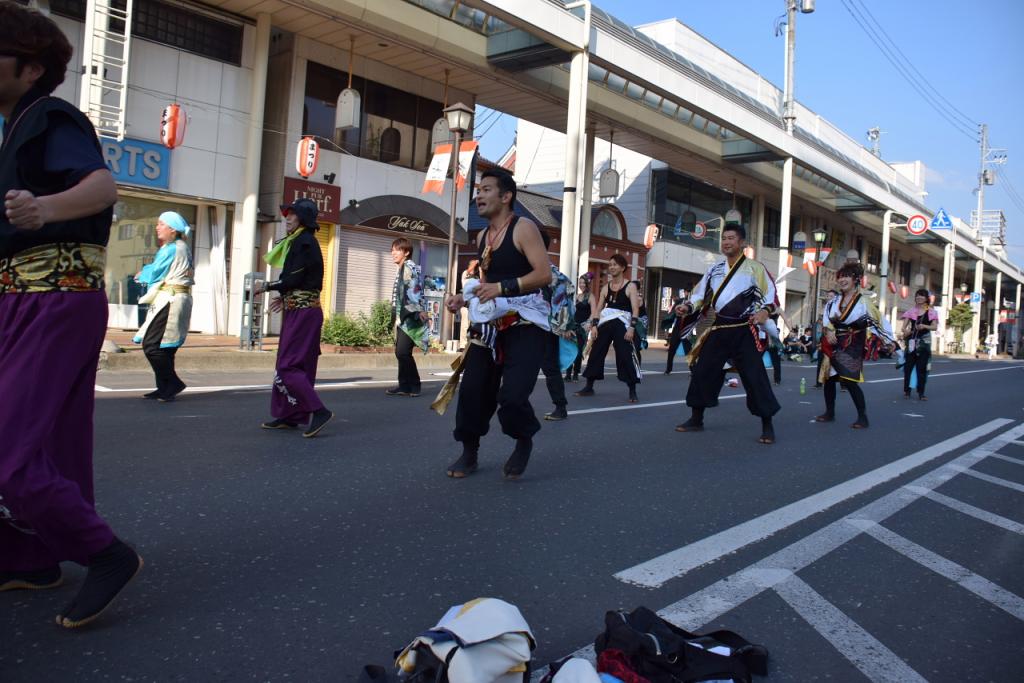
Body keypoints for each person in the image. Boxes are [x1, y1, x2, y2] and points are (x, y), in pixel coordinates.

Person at [0, 3, 143, 628]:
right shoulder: (15, 128)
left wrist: (43, 209)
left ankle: (106, 554)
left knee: (9, 446)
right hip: (22, 302)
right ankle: (33, 554)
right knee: (44, 443)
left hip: (54, 298)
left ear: (30, 67)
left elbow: (102, 188)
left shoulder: (51, 116)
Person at [439, 169, 551, 479]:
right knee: (473, 391)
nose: (479, 195)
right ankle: (469, 452)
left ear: (506, 196)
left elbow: (544, 275)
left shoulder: (523, 228)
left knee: (513, 397)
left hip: (525, 324)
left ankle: (523, 439)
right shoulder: (482, 236)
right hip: (490, 327)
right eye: (478, 190)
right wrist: (464, 297)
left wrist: (501, 289)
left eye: (486, 189)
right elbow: (486, 281)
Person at [674, 223, 780, 445]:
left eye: (731, 238)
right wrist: (688, 307)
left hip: (744, 329)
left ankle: (767, 424)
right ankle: (696, 418)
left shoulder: (754, 268)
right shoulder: (714, 269)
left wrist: (763, 311)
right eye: (724, 238)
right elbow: (700, 295)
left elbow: (770, 295)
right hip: (719, 328)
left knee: (754, 376)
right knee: (703, 371)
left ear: (741, 243)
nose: (727, 242)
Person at [257, 198, 333, 437]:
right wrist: (285, 296)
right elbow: (300, 281)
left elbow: (295, 279)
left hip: (304, 313)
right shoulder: (298, 241)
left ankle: (319, 411)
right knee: (295, 365)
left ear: (303, 218)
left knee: (288, 365)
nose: (287, 218)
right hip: (300, 311)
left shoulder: (305, 242)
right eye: (287, 214)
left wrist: (267, 286)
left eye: (292, 214)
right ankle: (290, 415)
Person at [815, 262, 893, 428]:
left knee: (850, 381)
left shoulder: (864, 302)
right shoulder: (833, 301)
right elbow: (826, 320)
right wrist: (828, 332)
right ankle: (829, 412)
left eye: (846, 276)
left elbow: (878, 321)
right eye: (840, 277)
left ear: (856, 279)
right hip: (833, 344)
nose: (842, 280)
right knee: (828, 379)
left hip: (852, 345)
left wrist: (889, 341)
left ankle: (862, 416)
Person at [133, 212, 194, 401]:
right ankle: (164, 388)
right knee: (165, 347)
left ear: (172, 229)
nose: (157, 227)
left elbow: (157, 271)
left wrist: (142, 274)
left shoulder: (172, 248)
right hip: (177, 296)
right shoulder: (181, 246)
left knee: (152, 345)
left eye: (161, 224)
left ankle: (173, 383)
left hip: (171, 299)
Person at [575, 253, 642, 403]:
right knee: (597, 351)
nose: (611, 267)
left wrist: (631, 328)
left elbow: (635, 309)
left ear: (623, 267)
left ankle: (632, 389)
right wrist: (594, 326)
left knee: (625, 354)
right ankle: (589, 385)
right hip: (606, 321)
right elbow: (598, 309)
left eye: (615, 264)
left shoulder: (630, 286)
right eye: (610, 265)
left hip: (623, 322)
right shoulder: (606, 287)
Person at [537, 231, 574, 421]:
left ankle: (560, 407)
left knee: (550, 367)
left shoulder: (552, 274)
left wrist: (562, 327)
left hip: (544, 328)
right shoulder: (522, 269)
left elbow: (563, 298)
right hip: (520, 326)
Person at [386, 237, 429, 397]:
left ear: (407, 252)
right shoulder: (404, 267)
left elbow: (413, 291)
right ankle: (404, 385)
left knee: (403, 352)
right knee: (401, 352)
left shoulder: (408, 267)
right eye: (392, 249)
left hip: (410, 316)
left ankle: (414, 385)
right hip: (404, 315)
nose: (393, 253)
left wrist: (418, 311)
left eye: (397, 250)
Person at [900, 288, 937, 400]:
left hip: (924, 343)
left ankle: (921, 393)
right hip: (912, 341)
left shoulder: (931, 311)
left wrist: (925, 326)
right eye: (917, 295)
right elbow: (903, 327)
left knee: (921, 369)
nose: (919, 298)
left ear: (926, 299)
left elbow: (934, 327)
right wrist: (906, 331)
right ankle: (907, 391)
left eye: (922, 296)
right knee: (908, 367)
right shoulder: (911, 311)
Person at [566, 272, 594, 382]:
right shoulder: (577, 297)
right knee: (570, 349)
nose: (581, 284)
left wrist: (588, 323)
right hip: (574, 326)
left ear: (587, 284)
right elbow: (573, 312)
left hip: (583, 328)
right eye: (580, 282)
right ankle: (568, 373)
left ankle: (576, 373)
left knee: (578, 351)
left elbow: (593, 312)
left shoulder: (591, 296)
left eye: (583, 282)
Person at [814, 290, 838, 387]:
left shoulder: (838, 307)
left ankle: (844, 383)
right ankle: (819, 382)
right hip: (825, 335)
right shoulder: (827, 307)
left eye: (831, 296)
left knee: (837, 360)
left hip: (835, 335)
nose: (829, 297)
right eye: (828, 296)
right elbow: (823, 324)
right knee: (821, 358)